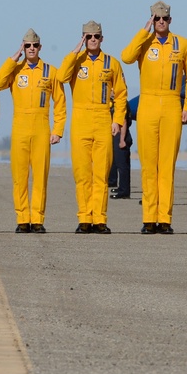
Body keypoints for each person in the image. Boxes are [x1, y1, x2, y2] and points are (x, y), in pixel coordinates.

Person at [121, 1, 187, 235]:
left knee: (166, 166)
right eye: (156, 19)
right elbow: (126, 57)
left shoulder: (183, 44)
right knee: (148, 165)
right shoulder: (145, 42)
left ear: (170, 20)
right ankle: (149, 218)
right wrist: (144, 32)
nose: (160, 22)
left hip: (172, 104)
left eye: (164, 19)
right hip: (148, 104)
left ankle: (164, 218)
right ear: (151, 20)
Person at [0, 29, 66, 234]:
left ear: (40, 47)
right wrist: (12, 59)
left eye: (34, 46)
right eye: (27, 46)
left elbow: (60, 103)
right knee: (20, 175)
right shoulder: (15, 70)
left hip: (41, 125)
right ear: (22, 47)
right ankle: (23, 218)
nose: (31, 49)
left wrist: (58, 130)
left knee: (40, 176)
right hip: (20, 126)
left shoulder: (51, 72)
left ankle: (38, 219)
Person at [58, 21, 127, 234]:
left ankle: (100, 219)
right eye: (88, 37)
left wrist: (117, 120)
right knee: (82, 173)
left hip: (103, 118)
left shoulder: (111, 63)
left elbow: (122, 93)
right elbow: (60, 77)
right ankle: (84, 219)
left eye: (96, 36)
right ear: (83, 39)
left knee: (101, 173)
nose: (92, 40)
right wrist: (74, 51)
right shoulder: (76, 61)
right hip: (80, 120)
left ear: (102, 38)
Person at [109, 109, 134, 199]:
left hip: (121, 135)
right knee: (116, 162)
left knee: (122, 165)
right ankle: (118, 185)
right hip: (118, 135)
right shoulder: (115, 103)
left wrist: (122, 140)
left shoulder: (121, 105)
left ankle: (124, 191)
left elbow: (123, 121)